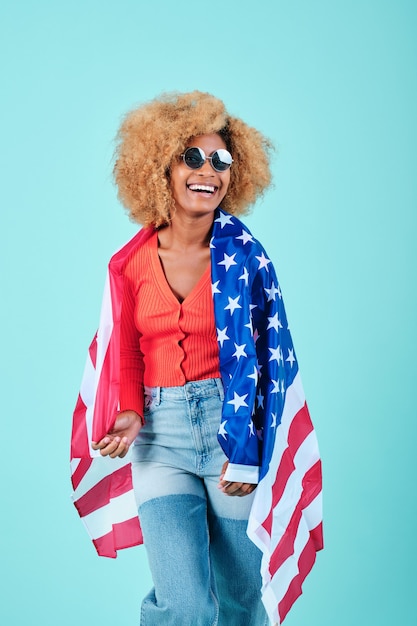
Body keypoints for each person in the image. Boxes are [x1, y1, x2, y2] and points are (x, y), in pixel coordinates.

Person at [71, 90, 323, 626]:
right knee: (182, 604)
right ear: (159, 166)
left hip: (232, 430)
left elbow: (265, 361)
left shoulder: (247, 257)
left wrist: (248, 447)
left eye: (221, 160)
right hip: (160, 439)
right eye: (192, 157)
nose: (208, 171)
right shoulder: (130, 264)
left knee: (237, 600)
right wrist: (131, 411)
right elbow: (129, 352)